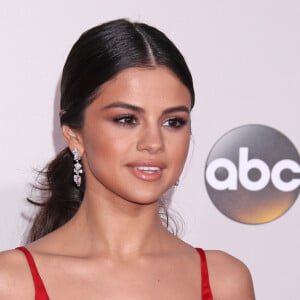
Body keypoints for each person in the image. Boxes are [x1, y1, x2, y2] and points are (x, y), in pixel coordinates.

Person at [0, 19, 255, 299]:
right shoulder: (12, 283)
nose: (154, 143)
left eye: (173, 122)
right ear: (74, 135)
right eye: (126, 119)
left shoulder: (225, 282)